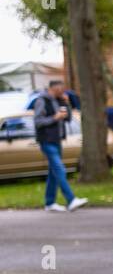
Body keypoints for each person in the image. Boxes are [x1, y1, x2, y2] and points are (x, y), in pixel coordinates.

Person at [33, 79, 88, 212]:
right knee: (59, 169)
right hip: (46, 141)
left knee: (53, 173)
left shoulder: (59, 100)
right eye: (61, 88)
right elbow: (38, 121)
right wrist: (54, 118)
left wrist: (67, 103)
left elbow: (68, 118)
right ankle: (71, 200)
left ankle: (49, 203)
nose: (63, 91)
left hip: (57, 140)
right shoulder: (42, 100)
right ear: (54, 88)